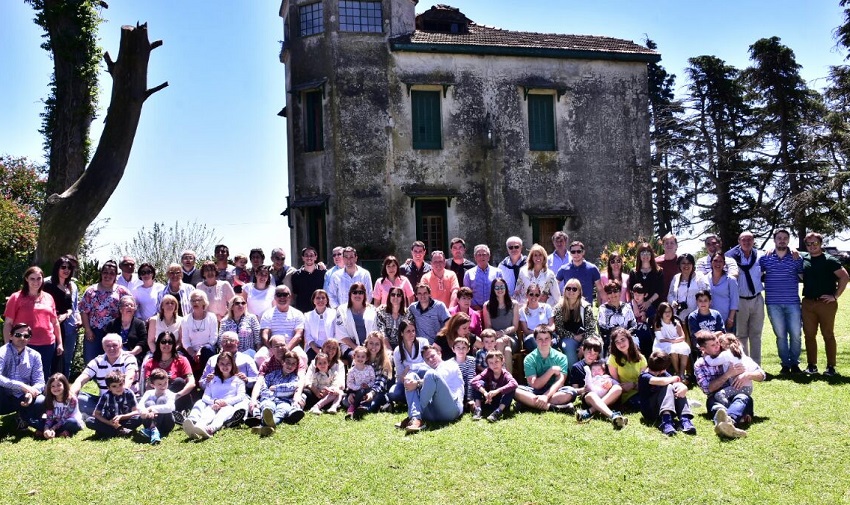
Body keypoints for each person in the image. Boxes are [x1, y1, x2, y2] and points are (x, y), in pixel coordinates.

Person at [694, 330, 765, 439]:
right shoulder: (700, 364)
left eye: (717, 343)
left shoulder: (732, 354)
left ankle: (728, 422)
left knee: (743, 398)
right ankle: (736, 419)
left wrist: (747, 375)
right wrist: (727, 375)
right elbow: (708, 389)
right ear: (703, 349)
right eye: (713, 345)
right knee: (717, 407)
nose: (718, 346)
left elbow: (762, 375)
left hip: (737, 394)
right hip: (716, 397)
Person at [800, 232, 849, 376]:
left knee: (828, 334)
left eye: (815, 243)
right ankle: (812, 366)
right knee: (809, 335)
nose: (812, 246)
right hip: (808, 302)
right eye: (809, 244)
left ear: (821, 244)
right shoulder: (805, 259)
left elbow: (844, 277)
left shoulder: (829, 260)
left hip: (826, 303)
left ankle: (831, 367)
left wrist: (835, 295)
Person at [3, 266, 61, 381]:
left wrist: (60, 343)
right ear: (26, 279)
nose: (36, 282)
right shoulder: (16, 297)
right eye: (32, 278)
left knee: (42, 376)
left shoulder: (49, 297)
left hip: (47, 344)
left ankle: (40, 399)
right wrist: (8, 346)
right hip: (23, 343)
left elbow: (55, 323)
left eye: (39, 278)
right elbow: (8, 324)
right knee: (20, 376)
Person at [759, 229, 805, 374]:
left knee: (796, 334)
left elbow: (803, 275)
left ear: (789, 240)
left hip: (793, 302)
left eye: (785, 238)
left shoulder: (796, 257)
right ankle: (785, 364)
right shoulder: (765, 258)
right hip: (773, 303)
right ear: (775, 240)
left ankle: (795, 364)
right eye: (779, 238)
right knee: (780, 335)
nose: (782, 240)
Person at [396, 344, 464, 433]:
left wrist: (417, 383)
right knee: (411, 376)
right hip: (433, 413)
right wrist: (412, 380)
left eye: (432, 356)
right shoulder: (431, 371)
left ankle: (413, 415)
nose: (431, 360)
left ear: (439, 353)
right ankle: (416, 419)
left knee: (430, 374)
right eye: (427, 359)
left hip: (452, 410)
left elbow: (439, 377)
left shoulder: (450, 364)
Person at [182, 351, 247, 440]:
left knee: (221, 416)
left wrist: (225, 402)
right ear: (218, 364)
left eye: (228, 364)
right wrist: (215, 401)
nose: (225, 366)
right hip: (213, 404)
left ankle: (210, 429)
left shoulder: (238, 379)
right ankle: (197, 428)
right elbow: (205, 397)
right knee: (207, 414)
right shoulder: (213, 380)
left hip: (228, 406)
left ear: (233, 364)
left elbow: (241, 396)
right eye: (222, 364)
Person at [71, 333, 137, 416]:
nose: (111, 348)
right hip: (105, 401)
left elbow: (130, 377)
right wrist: (71, 394)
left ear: (121, 346)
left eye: (115, 345)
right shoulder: (98, 361)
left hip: (127, 400)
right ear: (103, 347)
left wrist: (121, 393)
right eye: (108, 346)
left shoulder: (129, 358)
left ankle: (104, 414)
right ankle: (105, 413)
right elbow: (81, 379)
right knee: (79, 398)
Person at [246, 344, 306, 436]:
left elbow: (292, 387)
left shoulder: (294, 378)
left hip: (284, 401)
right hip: (269, 399)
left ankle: (265, 425)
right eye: (288, 362)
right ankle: (267, 424)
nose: (290, 366)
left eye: (293, 364)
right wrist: (272, 393)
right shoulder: (272, 374)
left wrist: (276, 388)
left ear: (296, 366)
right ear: (283, 362)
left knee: (282, 411)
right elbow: (264, 386)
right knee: (267, 408)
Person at [513, 325, 576, 413]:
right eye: (540, 339)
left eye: (547, 338)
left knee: (570, 392)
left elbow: (560, 382)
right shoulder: (529, 358)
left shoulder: (561, 357)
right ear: (535, 340)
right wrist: (551, 371)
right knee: (514, 390)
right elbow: (535, 385)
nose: (544, 342)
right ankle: (557, 408)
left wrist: (546, 396)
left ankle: (528, 403)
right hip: (535, 390)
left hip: (554, 390)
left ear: (551, 340)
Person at [569, 336, 627, 428]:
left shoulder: (603, 365)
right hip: (589, 396)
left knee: (618, 388)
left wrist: (609, 384)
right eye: (589, 352)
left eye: (595, 353)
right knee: (591, 395)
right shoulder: (577, 367)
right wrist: (584, 389)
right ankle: (613, 416)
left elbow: (611, 379)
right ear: (583, 350)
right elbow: (575, 390)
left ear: (598, 354)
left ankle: (590, 412)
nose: (591, 355)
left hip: (606, 394)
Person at [725, 231, 765, 364]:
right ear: (739, 241)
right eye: (744, 240)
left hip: (757, 299)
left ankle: (757, 365)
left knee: (756, 334)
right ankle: (745, 364)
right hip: (740, 300)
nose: (747, 242)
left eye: (750, 240)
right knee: (741, 335)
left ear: (753, 241)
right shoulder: (730, 257)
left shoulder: (761, 255)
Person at [638, 351, 695, 436]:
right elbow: (662, 381)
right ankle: (666, 422)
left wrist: (683, 387)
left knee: (678, 389)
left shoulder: (663, 373)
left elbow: (673, 382)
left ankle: (684, 419)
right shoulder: (644, 376)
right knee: (668, 387)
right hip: (650, 411)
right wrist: (675, 378)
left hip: (665, 407)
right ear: (663, 369)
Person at [0, 323, 45, 430]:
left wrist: (31, 392)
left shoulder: (35, 356)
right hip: (3, 394)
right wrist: (21, 385)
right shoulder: (2, 352)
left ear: (29, 339)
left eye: (26, 336)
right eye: (18, 335)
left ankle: (23, 417)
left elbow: (40, 382)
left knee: (41, 400)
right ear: (10, 336)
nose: (22, 338)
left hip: (23, 396)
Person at [42, 255, 80, 379]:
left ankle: (61, 388)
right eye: (63, 267)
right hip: (48, 325)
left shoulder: (69, 286)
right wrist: (56, 316)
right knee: (49, 358)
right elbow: (42, 304)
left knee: (62, 358)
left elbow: (70, 307)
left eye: (69, 268)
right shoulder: (47, 285)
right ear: (57, 268)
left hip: (63, 326)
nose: (66, 270)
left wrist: (66, 314)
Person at [142, 331, 196, 412]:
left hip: (177, 397)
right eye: (163, 342)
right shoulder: (150, 363)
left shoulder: (182, 360)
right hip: (158, 396)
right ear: (158, 344)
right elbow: (148, 385)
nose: (166, 344)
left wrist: (177, 395)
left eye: (170, 342)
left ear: (173, 344)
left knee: (179, 381)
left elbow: (192, 382)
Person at [701, 334, 760, 407]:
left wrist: (706, 356)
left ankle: (729, 409)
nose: (718, 346)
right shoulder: (739, 351)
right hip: (747, 387)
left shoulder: (726, 354)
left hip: (740, 387)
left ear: (722, 343)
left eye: (718, 343)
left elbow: (712, 362)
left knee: (719, 395)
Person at [258, 285, 306, 368]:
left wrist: (287, 349)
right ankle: (266, 377)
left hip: (291, 346)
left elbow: (298, 335)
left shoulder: (298, 314)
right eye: (279, 295)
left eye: (285, 294)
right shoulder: (267, 314)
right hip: (273, 347)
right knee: (259, 357)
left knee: (303, 357)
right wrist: (272, 349)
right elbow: (264, 334)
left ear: (290, 296)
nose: (282, 297)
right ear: (275, 297)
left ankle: (299, 379)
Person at [199, 331, 259, 397]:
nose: (228, 343)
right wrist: (207, 381)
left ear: (238, 343)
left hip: (240, 395)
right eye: (225, 341)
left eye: (231, 340)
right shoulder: (212, 360)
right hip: (215, 396)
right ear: (221, 344)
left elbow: (257, 380)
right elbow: (201, 382)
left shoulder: (247, 359)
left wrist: (247, 380)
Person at [552, 278, 596, 366]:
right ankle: (575, 375)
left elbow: (591, 329)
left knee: (595, 345)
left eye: (574, 289)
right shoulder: (558, 308)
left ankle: (595, 373)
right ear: (564, 290)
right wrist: (574, 336)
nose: (571, 291)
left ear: (579, 292)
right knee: (568, 347)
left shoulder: (585, 307)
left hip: (585, 337)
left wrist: (584, 346)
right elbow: (559, 329)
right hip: (567, 338)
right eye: (568, 288)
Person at [86, 370, 142, 438]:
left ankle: (110, 432)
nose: (118, 388)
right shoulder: (105, 396)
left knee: (140, 417)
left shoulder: (129, 393)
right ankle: (121, 431)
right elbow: (96, 414)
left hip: (125, 420)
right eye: (114, 386)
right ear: (109, 388)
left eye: (120, 384)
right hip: (109, 422)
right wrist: (109, 422)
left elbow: (136, 411)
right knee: (89, 421)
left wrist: (122, 416)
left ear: (124, 383)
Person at [481, 278, 519, 374]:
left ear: (506, 288)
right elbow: (488, 326)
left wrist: (503, 333)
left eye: (502, 287)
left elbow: (515, 326)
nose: (500, 289)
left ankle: (496, 377)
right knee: (507, 351)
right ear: (493, 290)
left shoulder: (513, 304)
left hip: (511, 337)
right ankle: (509, 381)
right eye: (496, 287)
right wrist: (496, 334)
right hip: (494, 338)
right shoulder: (487, 305)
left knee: (500, 342)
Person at [180, 290, 219, 378]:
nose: (195, 302)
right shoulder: (185, 319)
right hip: (191, 351)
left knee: (207, 350)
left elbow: (213, 338)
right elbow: (185, 340)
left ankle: (206, 378)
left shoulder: (211, 317)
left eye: (198, 300)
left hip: (207, 350)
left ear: (204, 302)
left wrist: (200, 351)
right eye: (193, 300)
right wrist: (193, 353)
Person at [389, 320, 428, 407]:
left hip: (421, 379)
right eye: (408, 331)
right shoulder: (397, 351)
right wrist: (405, 380)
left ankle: (415, 398)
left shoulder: (423, 342)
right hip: (406, 381)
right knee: (393, 394)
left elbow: (428, 365)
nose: (412, 334)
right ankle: (415, 398)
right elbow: (400, 374)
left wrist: (409, 367)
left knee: (423, 370)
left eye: (413, 331)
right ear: (402, 333)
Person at [471, 350, 517, 423]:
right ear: (488, 364)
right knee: (479, 383)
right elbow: (473, 381)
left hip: (501, 401)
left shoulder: (505, 374)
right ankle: (478, 409)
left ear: (502, 361)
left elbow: (514, 384)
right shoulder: (488, 371)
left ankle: (498, 412)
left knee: (511, 389)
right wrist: (485, 393)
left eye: (497, 361)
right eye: (491, 363)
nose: (494, 365)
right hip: (488, 400)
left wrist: (497, 391)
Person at [335, 282, 378, 361]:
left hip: (371, 347)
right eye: (355, 292)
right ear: (350, 294)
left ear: (364, 295)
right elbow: (341, 334)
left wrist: (368, 348)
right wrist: (357, 348)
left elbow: (376, 331)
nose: (357, 295)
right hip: (349, 347)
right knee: (357, 358)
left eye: (361, 292)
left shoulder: (372, 309)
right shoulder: (341, 310)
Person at [35, 373, 83, 439]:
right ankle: (59, 433)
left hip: (68, 421)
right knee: (37, 422)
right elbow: (49, 417)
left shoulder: (72, 399)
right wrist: (46, 428)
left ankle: (56, 432)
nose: (56, 388)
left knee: (72, 422)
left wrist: (53, 428)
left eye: (59, 385)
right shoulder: (50, 399)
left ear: (65, 385)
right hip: (56, 421)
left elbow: (64, 418)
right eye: (53, 386)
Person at [555, 241, 605, 305]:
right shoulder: (564, 269)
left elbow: (600, 289)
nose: (576, 254)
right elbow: (554, 286)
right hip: (568, 307)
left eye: (579, 251)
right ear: (570, 253)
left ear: (583, 252)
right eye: (573, 252)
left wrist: (605, 305)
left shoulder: (592, 269)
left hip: (586, 307)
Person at [606, 327, 646, 406]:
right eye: (617, 342)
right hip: (625, 394)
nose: (620, 344)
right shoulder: (613, 358)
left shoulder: (641, 358)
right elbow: (616, 383)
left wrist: (633, 385)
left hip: (640, 390)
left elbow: (643, 381)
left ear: (629, 340)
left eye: (623, 339)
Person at [667, 253, 709, 326]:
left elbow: (706, 295)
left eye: (689, 263)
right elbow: (670, 294)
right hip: (678, 317)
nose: (686, 265)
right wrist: (673, 302)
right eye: (683, 263)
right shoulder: (676, 278)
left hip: (696, 317)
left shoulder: (699, 277)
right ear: (679, 265)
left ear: (692, 264)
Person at [596, 280, 636, 356]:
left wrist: (625, 336)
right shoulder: (603, 308)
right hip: (611, 339)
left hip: (627, 337)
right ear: (607, 295)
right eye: (609, 292)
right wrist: (617, 337)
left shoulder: (627, 307)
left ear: (620, 292)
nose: (613, 294)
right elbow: (602, 328)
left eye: (615, 291)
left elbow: (633, 324)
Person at [105, 295, 147, 365]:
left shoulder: (139, 324)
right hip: (114, 356)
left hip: (134, 356)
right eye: (127, 305)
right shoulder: (112, 324)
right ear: (120, 309)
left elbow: (143, 342)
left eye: (132, 305)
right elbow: (106, 341)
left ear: (134, 309)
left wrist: (132, 352)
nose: (129, 307)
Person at [138, 368, 176, 444]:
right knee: (149, 403)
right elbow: (140, 405)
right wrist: (144, 411)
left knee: (162, 399)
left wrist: (152, 409)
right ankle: (153, 430)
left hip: (166, 423)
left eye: (165, 382)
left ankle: (152, 429)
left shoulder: (170, 394)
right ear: (152, 385)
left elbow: (170, 407)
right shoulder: (149, 393)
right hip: (148, 422)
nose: (163, 386)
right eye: (159, 384)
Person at [652, 302, 689, 380]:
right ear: (661, 313)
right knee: (673, 350)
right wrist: (671, 341)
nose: (667, 314)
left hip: (675, 341)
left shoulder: (676, 323)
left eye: (669, 311)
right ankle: (677, 372)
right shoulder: (658, 323)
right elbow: (661, 339)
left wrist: (674, 341)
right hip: (662, 344)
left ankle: (682, 373)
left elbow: (682, 337)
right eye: (665, 312)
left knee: (685, 348)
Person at [463, 244, 502, 311]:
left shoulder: (497, 272)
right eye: (479, 255)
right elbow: (466, 294)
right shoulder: (469, 274)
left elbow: (501, 291)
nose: (482, 257)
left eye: (484, 254)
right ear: (475, 257)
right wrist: (476, 307)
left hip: (493, 309)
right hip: (475, 310)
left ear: (489, 257)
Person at [627, 242, 665, 311]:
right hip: (637, 308)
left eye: (648, 253)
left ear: (651, 255)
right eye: (642, 253)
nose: (645, 255)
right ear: (639, 255)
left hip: (654, 307)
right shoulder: (633, 272)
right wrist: (635, 305)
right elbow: (631, 291)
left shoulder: (659, 272)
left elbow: (659, 290)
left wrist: (648, 302)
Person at [518, 284, 555, 352]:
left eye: (537, 295)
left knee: (549, 341)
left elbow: (552, 325)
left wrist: (545, 335)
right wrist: (539, 335)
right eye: (531, 294)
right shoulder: (522, 311)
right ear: (527, 295)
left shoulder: (547, 307)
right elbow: (526, 331)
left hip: (547, 335)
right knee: (533, 340)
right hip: (532, 337)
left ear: (539, 296)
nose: (534, 297)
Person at [708, 252, 739, 331]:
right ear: (711, 263)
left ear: (724, 263)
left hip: (726, 318)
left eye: (720, 261)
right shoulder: (705, 279)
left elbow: (734, 300)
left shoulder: (731, 280)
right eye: (715, 261)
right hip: (709, 319)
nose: (717, 263)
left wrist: (731, 318)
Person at [290, 246, 327, 313]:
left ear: (315, 257)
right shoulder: (296, 275)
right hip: (302, 311)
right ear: (303, 258)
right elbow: (295, 294)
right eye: (306, 255)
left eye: (311, 255)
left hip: (320, 311)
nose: (309, 258)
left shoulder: (323, 274)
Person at [304, 289, 337, 361]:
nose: (321, 300)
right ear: (313, 300)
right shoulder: (307, 316)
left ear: (327, 300)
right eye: (318, 298)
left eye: (323, 298)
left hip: (331, 347)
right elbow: (308, 335)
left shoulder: (334, 313)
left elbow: (337, 333)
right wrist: (316, 349)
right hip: (314, 347)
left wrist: (329, 348)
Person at [344, 346, 375, 419]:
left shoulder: (369, 368)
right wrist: (358, 387)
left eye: (363, 357)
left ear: (366, 358)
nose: (360, 359)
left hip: (368, 389)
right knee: (360, 392)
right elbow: (349, 383)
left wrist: (368, 385)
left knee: (368, 395)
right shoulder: (352, 371)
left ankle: (360, 408)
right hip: (356, 390)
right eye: (358, 356)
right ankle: (353, 408)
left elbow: (373, 380)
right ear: (354, 357)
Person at [629, 283, 657, 359]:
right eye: (635, 294)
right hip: (633, 334)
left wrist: (646, 318)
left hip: (646, 335)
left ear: (645, 295)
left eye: (639, 294)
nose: (637, 296)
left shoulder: (649, 307)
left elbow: (654, 321)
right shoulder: (628, 306)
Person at [451, 336, 477, 409]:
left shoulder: (471, 360)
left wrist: (469, 398)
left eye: (464, 348)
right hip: (457, 388)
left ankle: (469, 401)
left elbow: (470, 378)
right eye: (458, 347)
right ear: (453, 349)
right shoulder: (450, 363)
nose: (461, 350)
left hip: (468, 388)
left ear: (468, 349)